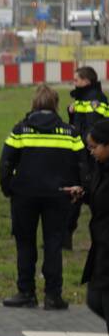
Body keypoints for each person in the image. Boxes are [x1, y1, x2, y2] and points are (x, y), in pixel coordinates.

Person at [0, 84, 86, 310]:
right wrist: (79, 189)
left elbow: (5, 162)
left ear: (34, 104)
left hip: (24, 195)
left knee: (25, 243)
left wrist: (9, 188)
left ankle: (26, 292)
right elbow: (83, 165)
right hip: (58, 196)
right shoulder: (70, 133)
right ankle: (53, 295)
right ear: (56, 105)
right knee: (53, 245)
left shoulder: (21, 130)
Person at [64, 119, 109, 336]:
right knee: (95, 298)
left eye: (94, 147)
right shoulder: (102, 167)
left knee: (101, 300)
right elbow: (99, 196)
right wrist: (83, 194)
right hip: (101, 244)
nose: (90, 151)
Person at [66, 66, 109, 249]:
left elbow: (94, 133)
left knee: (94, 196)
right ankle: (65, 238)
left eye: (76, 80)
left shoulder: (95, 101)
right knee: (78, 195)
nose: (74, 83)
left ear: (87, 81)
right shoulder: (82, 98)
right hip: (82, 155)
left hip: (91, 157)